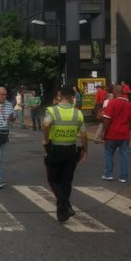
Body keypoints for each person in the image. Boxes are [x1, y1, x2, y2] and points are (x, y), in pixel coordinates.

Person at [42, 86, 87, 222]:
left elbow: (45, 124)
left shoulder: (52, 110)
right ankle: (63, 213)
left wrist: (46, 140)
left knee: (53, 180)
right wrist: (85, 150)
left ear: (60, 95)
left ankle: (65, 204)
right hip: (71, 150)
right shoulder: (77, 113)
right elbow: (84, 134)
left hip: (56, 149)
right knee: (66, 181)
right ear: (73, 97)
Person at [101, 84, 131, 183]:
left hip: (112, 134)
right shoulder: (129, 105)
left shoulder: (112, 103)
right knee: (124, 155)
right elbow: (130, 121)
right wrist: (127, 130)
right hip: (124, 134)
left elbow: (107, 119)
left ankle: (108, 174)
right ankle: (123, 177)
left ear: (115, 92)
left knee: (109, 153)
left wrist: (103, 132)